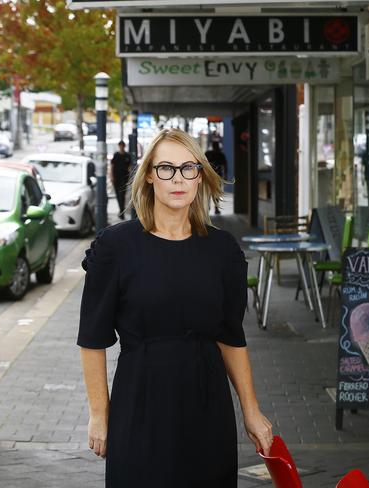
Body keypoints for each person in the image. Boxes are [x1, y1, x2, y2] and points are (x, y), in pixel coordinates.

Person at [78, 128, 272, 487]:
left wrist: (251, 410)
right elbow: (93, 338)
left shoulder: (222, 250)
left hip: (207, 404)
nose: (178, 178)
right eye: (166, 168)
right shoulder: (115, 247)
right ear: (149, 175)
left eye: (189, 168)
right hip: (140, 403)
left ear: (200, 175)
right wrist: (98, 413)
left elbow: (231, 336)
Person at [110, 141, 132, 220]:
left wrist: (130, 178)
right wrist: (112, 176)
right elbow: (112, 166)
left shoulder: (127, 156)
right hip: (116, 179)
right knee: (118, 195)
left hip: (124, 179)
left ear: (124, 146)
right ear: (119, 146)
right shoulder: (116, 155)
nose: (121, 147)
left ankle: (121, 212)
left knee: (122, 195)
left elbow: (130, 167)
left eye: (123, 145)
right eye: (120, 146)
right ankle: (121, 211)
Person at [205, 141, 228, 214]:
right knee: (213, 192)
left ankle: (212, 207)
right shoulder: (219, 154)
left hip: (213, 176)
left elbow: (225, 166)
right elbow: (225, 166)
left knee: (212, 192)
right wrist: (225, 175)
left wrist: (225, 175)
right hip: (213, 176)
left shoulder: (209, 154)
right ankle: (214, 208)